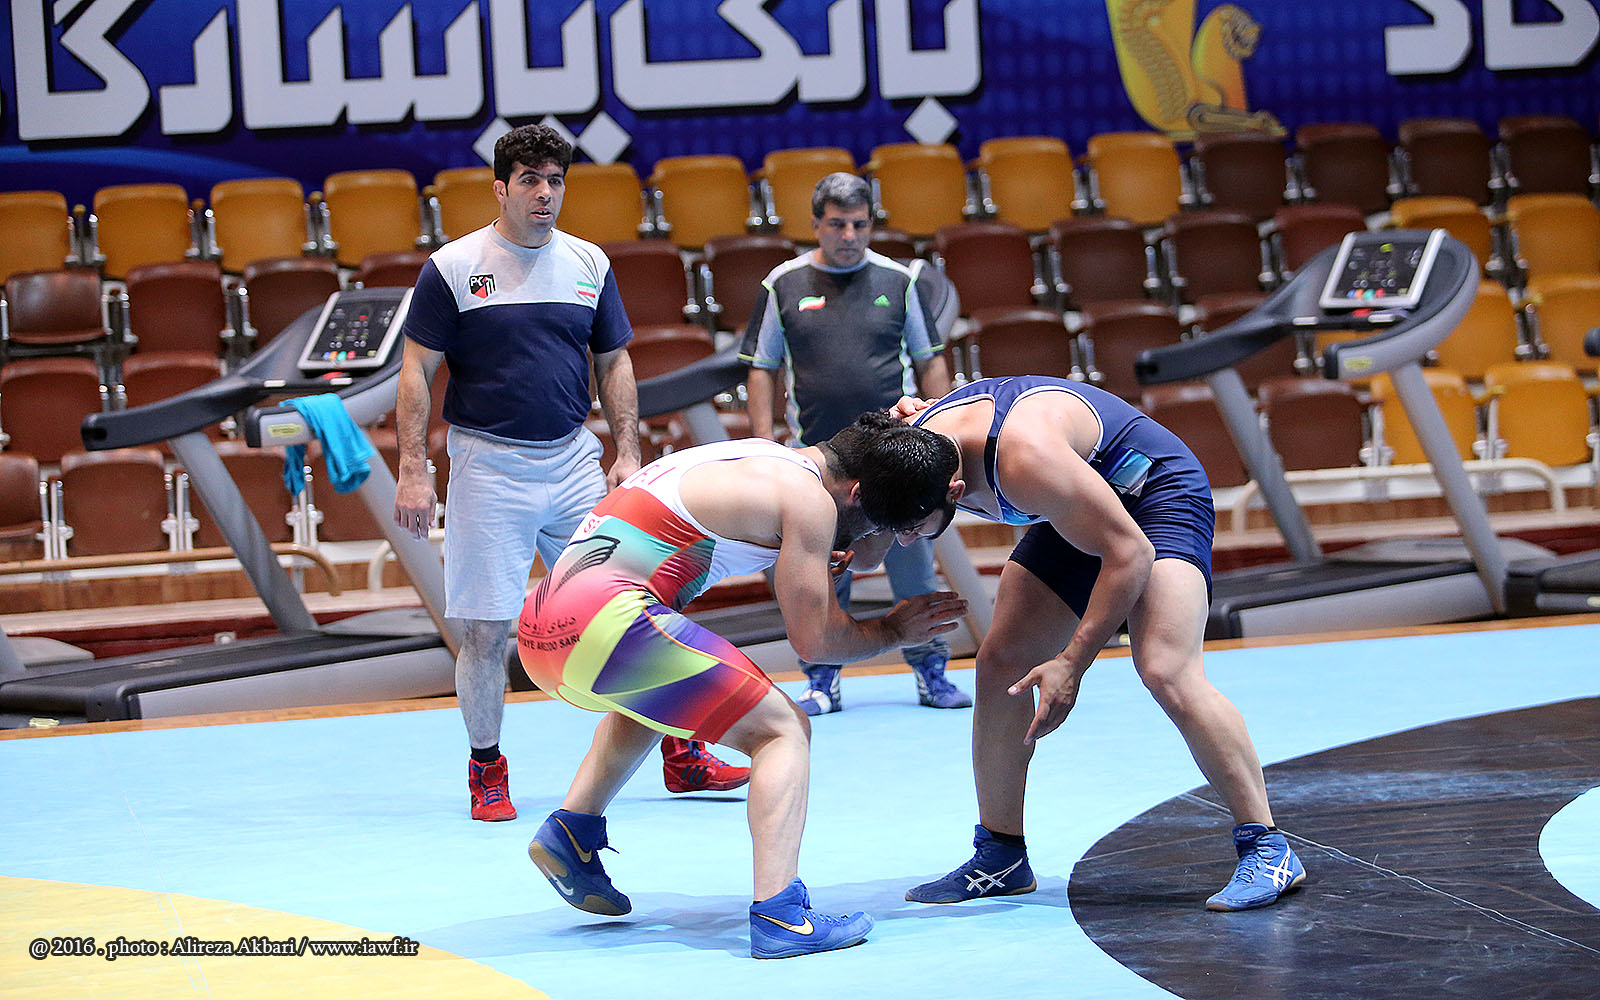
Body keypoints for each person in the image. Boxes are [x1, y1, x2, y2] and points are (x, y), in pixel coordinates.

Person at [393, 123, 747, 823]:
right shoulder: (453, 267)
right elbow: (416, 369)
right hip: (488, 469)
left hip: (573, 460)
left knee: (640, 606)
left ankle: (682, 753)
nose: (545, 194)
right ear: (500, 188)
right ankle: (487, 770)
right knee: (486, 634)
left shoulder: (589, 262)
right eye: (530, 180)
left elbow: (614, 362)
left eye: (555, 181)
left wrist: (627, 452)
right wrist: (412, 467)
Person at [516, 413, 968, 958]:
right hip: (602, 624)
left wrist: (908, 457)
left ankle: (572, 833)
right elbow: (817, 642)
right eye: (893, 527)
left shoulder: (770, 462)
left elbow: (862, 540)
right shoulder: (810, 502)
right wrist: (894, 630)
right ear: (856, 493)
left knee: (661, 695)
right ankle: (781, 915)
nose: (892, 540)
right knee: (783, 729)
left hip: (543, 632)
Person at [897, 375, 1305, 912]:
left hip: (1153, 496)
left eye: (914, 528)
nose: (904, 540)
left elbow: (1130, 554)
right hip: (1078, 501)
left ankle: (1268, 848)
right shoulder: (901, 450)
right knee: (1001, 664)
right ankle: (1000, 856)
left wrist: (1071, 664)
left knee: (1166, 668)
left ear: (953, 489)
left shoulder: (1024, 459)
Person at [739, 171, 970, 716]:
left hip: (899, 459)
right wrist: (763, 446)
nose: (849, 236)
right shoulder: (782, 283)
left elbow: (930, 362)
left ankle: (932, 673)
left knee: (915, 568)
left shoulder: (900, 280)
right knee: (820, 572)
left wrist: (944, 435)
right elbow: (762, 368)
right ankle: (822, 680)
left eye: (859, 225)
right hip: (819, 465)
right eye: (837, 224)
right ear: (816, 224)